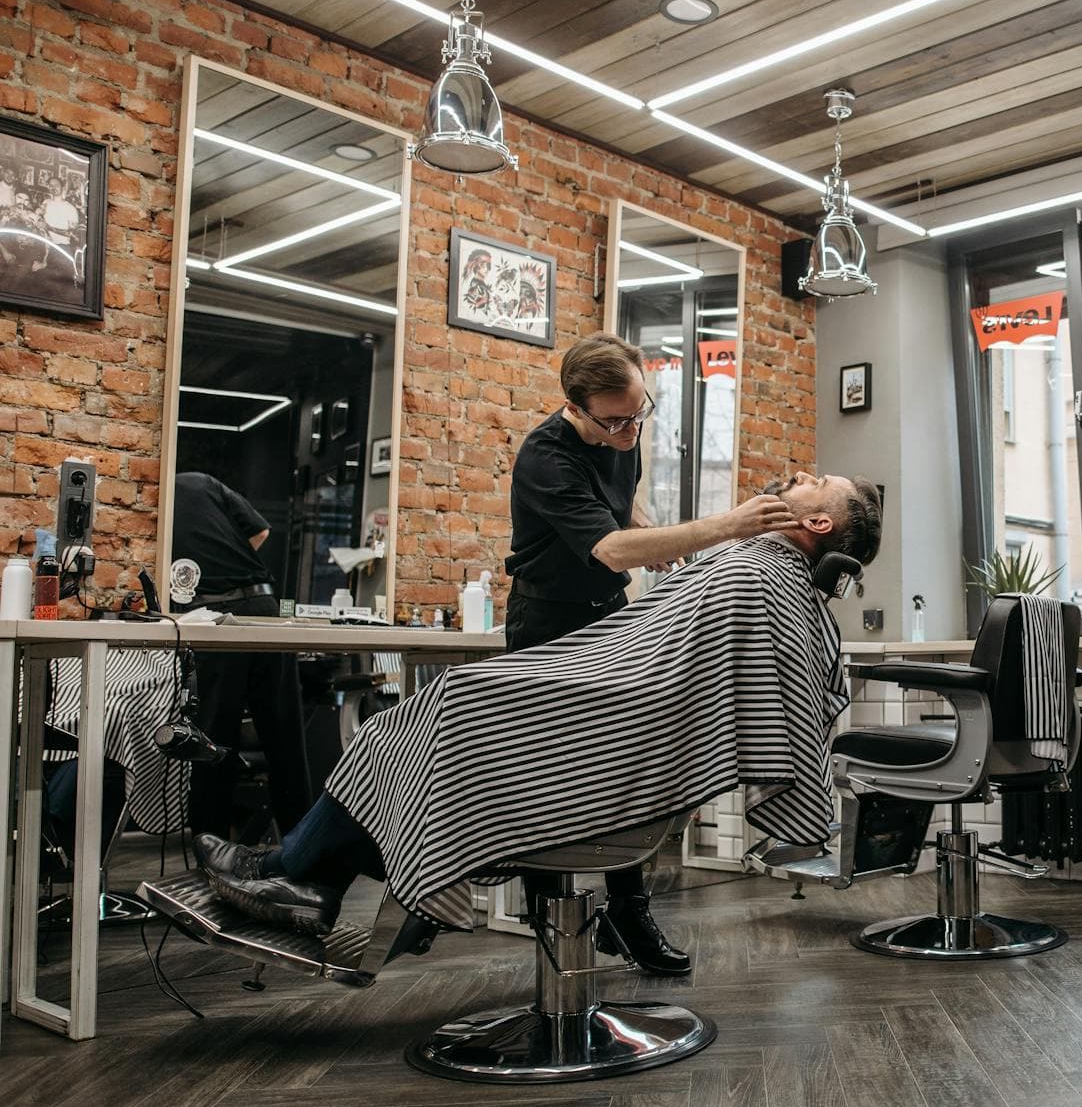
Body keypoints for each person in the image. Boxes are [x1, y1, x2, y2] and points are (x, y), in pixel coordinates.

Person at [192, 471, 883, 944]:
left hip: (615, 737)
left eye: (812, 483)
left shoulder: (755, 574)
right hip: (617, 715)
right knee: (414, 723)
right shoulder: (760, 573)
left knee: (449, 704)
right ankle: (304, 877)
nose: (797, 474)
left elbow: (656, 677)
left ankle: (295, 873)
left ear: (816, 520)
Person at [500, 332, 798, 974]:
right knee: (551, 779)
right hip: (545, 621)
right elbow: (605, 549)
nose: (632, 428)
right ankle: (554, 929)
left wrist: (655, 534)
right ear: (575, 410)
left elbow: (620, 513)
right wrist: (729, 524)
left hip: (605, 613)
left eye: (641, 412)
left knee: (626, 764)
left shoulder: (622, 430)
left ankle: (628, 915)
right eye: (615, 420)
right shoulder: (544, 458)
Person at [170, 471, 314, 841]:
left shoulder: (157, 498)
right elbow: (260, 532)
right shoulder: (204, 482)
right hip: (262, 606)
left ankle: (210, 848)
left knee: (214, 740)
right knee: (285, 740)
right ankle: (304, 850)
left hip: (214, 615)